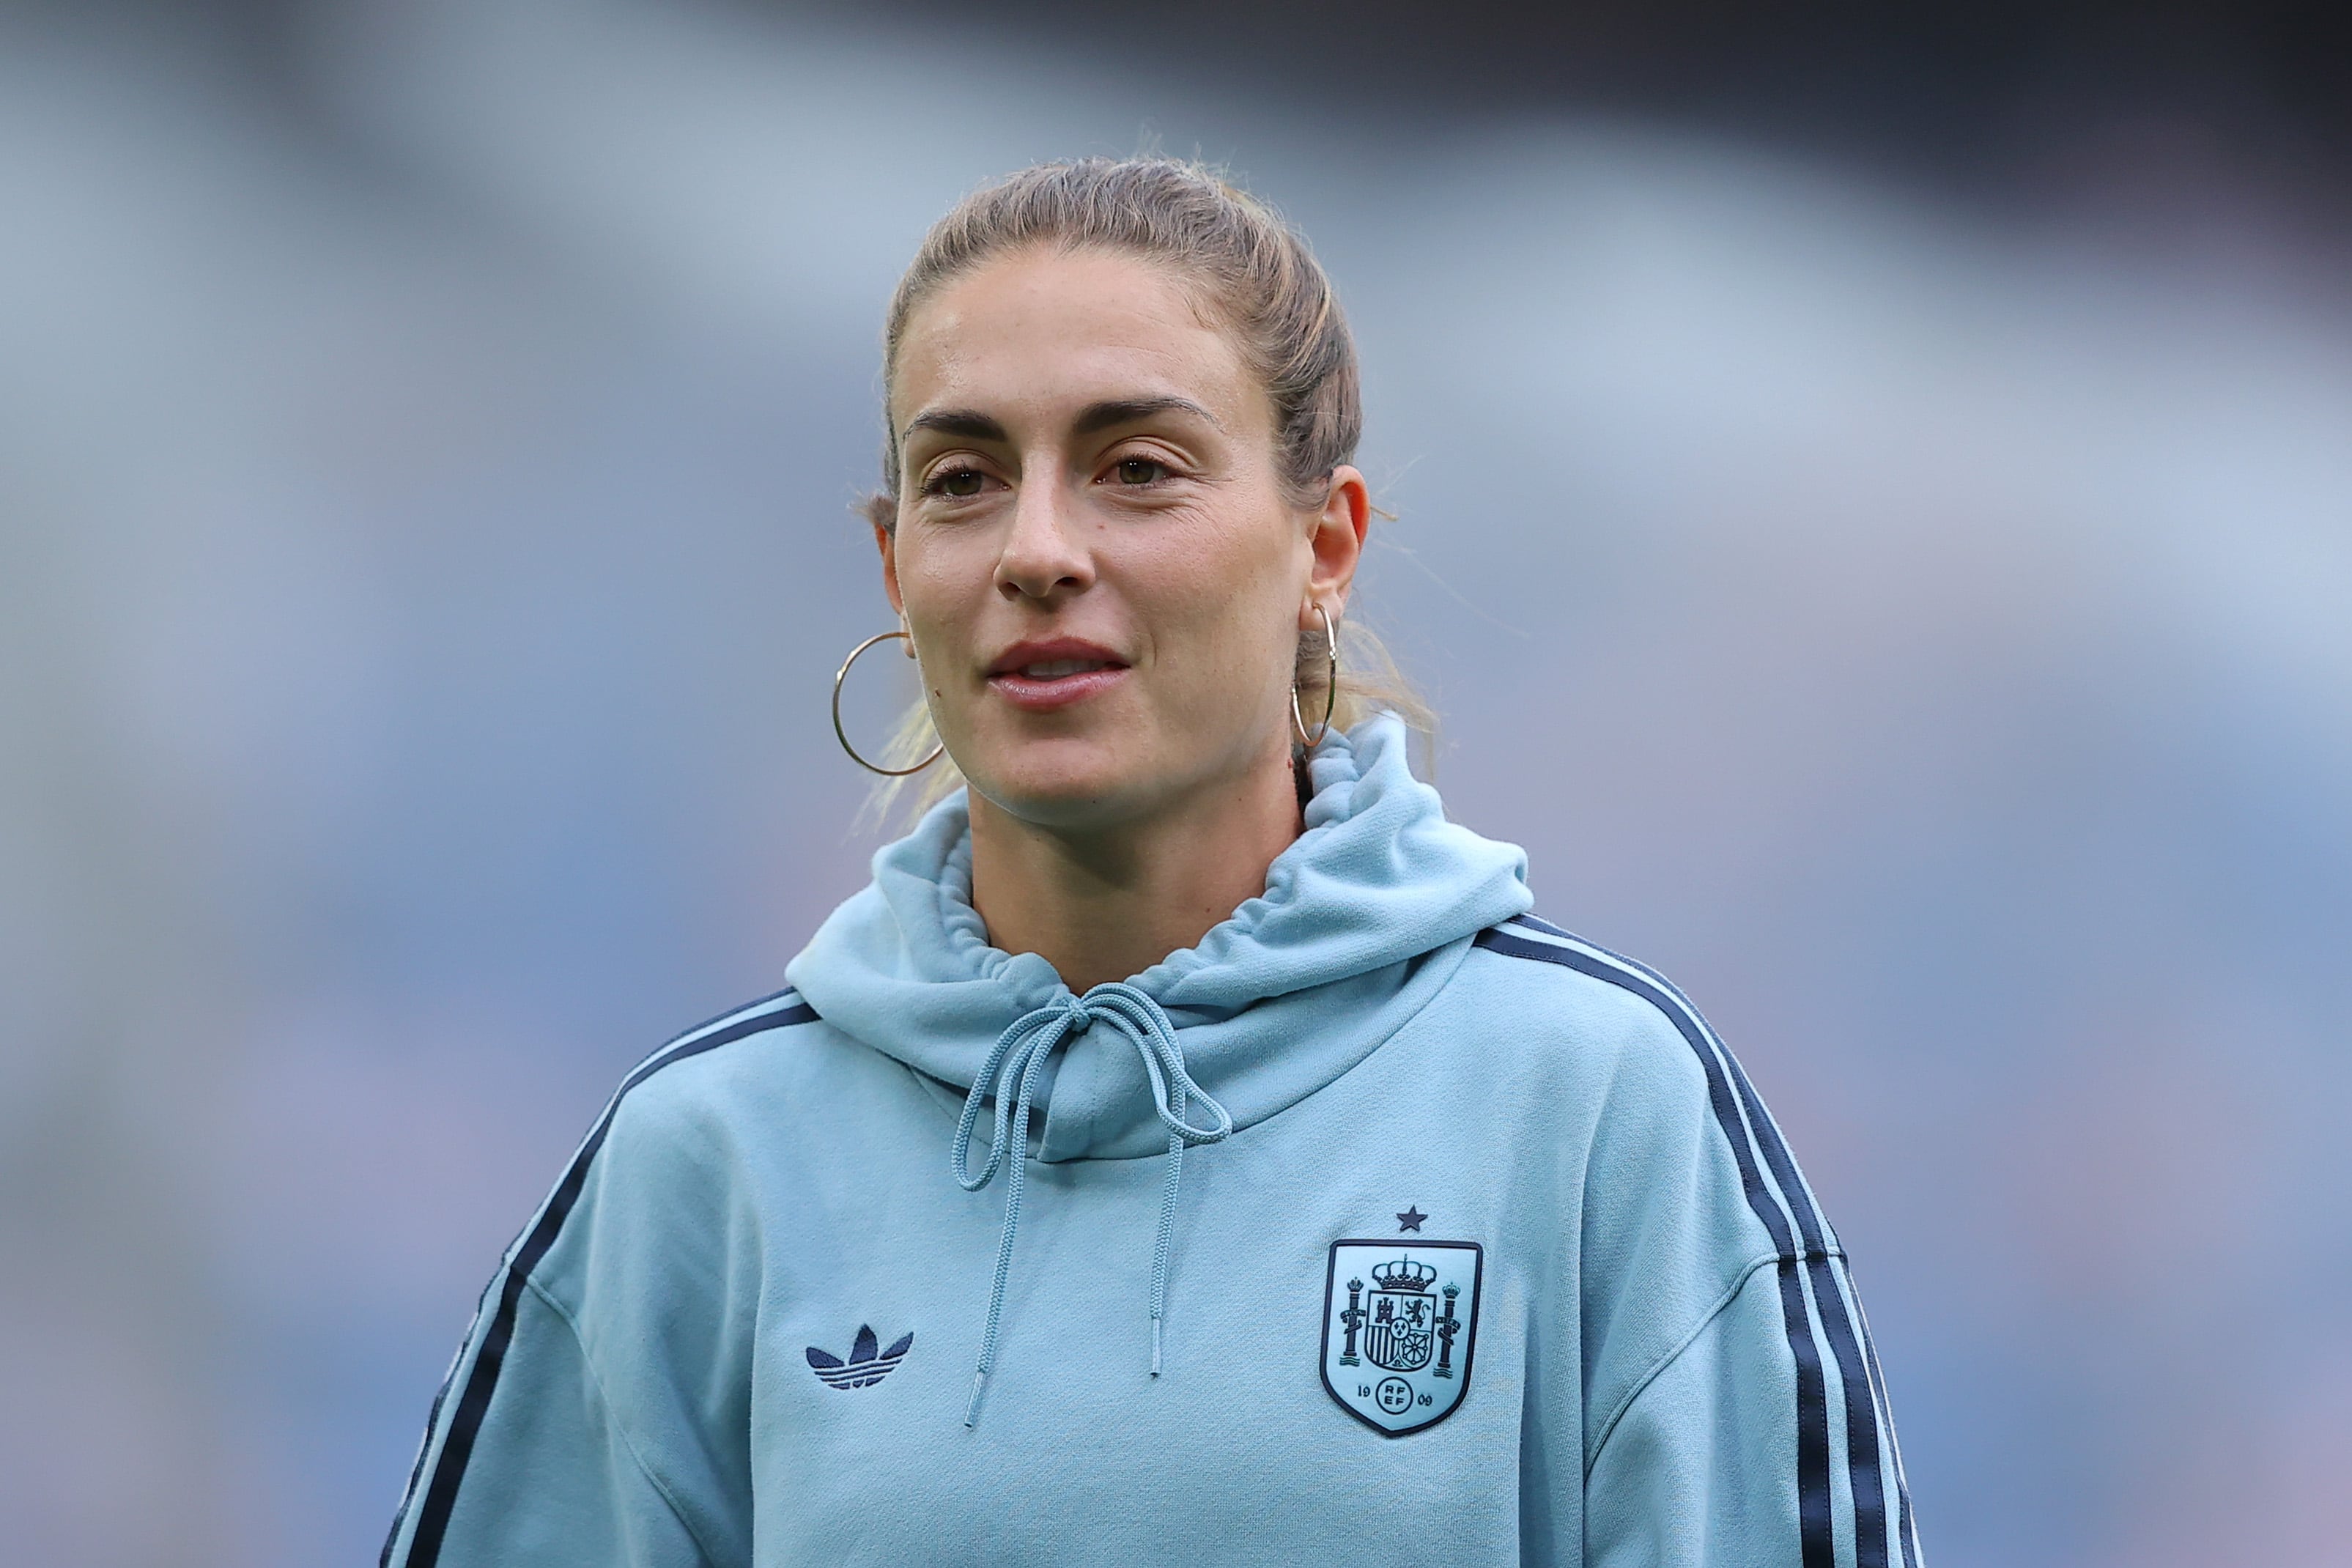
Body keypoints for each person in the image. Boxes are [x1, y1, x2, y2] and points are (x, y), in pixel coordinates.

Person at [381, 157, 1921, 1568]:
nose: (1036, 547)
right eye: (966, 476)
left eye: (1138, 465)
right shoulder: (700, 1163)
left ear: (1325, 544)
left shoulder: (1599, 1111)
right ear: (893, 560)